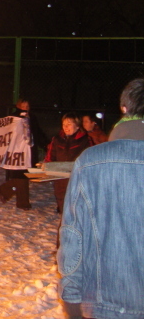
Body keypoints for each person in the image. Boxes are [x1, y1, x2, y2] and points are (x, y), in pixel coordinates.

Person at [58, 78, 144, 319]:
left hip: (106, 301)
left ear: (124, 109)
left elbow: (74, 233)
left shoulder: (90, 161)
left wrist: (72, 297)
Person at [0, 98, 48, 210]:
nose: (25, 108)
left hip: (29, 150)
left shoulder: (31, 117)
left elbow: (37, 132)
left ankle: (5, 191)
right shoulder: (13, 118)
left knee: (23, 176)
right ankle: (21, 202)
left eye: (27, 106)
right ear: (18, 106)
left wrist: (46, 144)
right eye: (23, 106)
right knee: (21, 176)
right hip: (17, 151)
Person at [44, 112, 92, 213]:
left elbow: (89, 158)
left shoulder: (85, 140)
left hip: (76, 178)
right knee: (62, 204)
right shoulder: (57, 139)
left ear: (77, 126)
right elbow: (50, 156)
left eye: (69, 124)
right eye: (64, 124)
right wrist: (47, 166)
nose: (66, 127)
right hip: (60, 179)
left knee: (76, 205)